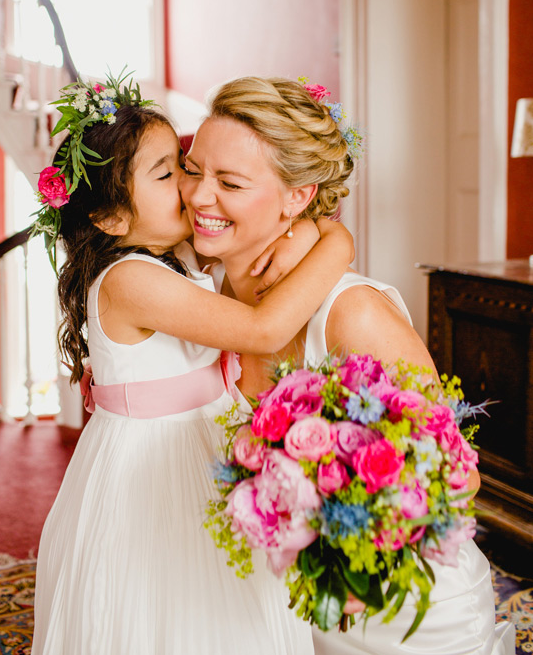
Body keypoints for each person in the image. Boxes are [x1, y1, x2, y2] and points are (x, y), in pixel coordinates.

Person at [179, 75, 515, 655]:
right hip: (266, 610)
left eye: (229, 182)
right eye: (191, 169)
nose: (198, 196)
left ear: (298, 197)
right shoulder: (192, 287)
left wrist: (332, 514)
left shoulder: (351, 315)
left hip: (398, 614)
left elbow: (458, 481)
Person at [30, 72, 355, 655]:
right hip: (151, 463)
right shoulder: (130, 279)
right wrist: (337, 242)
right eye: (168, 174)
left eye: (182, 164)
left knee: (228, 608)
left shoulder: (175, 257)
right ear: (110, 219)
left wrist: (297, 228)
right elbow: (263, 329)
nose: (190, 187)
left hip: (205, 439)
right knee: (164, 605)